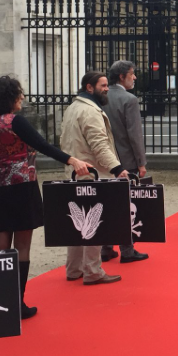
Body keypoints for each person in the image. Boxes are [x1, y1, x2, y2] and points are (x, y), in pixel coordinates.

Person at [0, 76, 92, 319]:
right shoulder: (15, 121)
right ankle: (17, 303)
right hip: (21, 185)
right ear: (10, 98)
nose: (22, 98)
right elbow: (42, 145)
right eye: (19, 94)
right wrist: (72, 160)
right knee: (21, 246)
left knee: (1, 244)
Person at [61, 72, 128, 285]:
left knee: (76, 224)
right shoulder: (90, 111)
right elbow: (99, 144)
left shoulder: (73, 107)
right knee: (94, 224)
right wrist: (117, 168)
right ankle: (93, 270)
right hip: (92, 173)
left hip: (75, 173)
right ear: (90, 88)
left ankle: (74, 269)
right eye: (103, 85)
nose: (107, 88)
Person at [101, 60, 150, 263]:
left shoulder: (101, 97)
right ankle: (127, 249)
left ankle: (106, 247)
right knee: (125, 205)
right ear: (122, 76)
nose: (135, 77)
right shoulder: (129, 99)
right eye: (132, 74)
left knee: (107, 204)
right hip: (126, 159)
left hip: (105, 160)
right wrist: (141, 162)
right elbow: (134, 135)